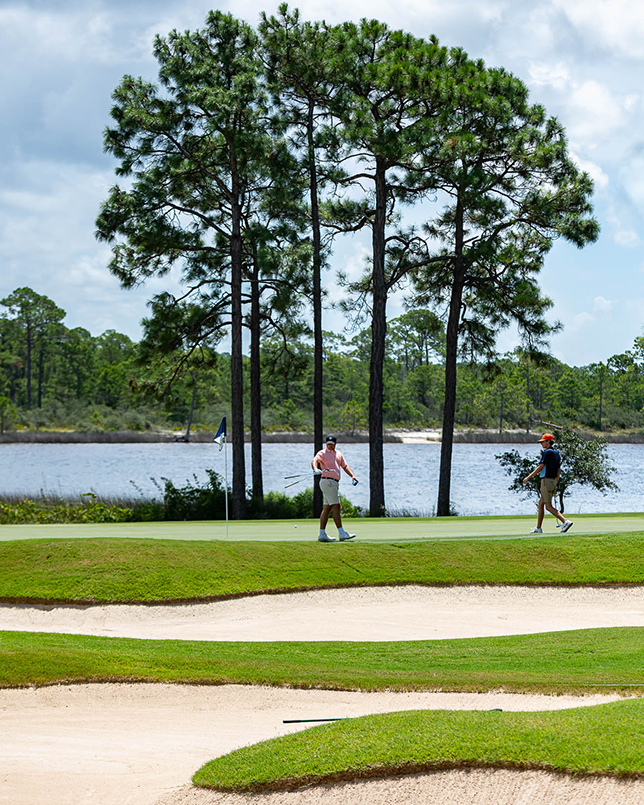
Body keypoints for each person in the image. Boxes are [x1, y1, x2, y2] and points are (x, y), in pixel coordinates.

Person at [523, 433, 573, 534]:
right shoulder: (556, 453)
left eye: (543, 442)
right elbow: (558, 471)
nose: (542, 444)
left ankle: (565, 521)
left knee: (548, 506)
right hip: (552, 481)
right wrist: (555, 484)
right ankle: (538, 528)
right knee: (541, 504)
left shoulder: (547, 452)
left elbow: (541, 467)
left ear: (548, 441)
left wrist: (528, 477)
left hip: (546, 481)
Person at [311, 434, 358, 542]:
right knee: (336, 506)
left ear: (335, 444)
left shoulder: (339, 454)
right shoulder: (322, 453)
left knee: (327, 508)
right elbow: (314, 461)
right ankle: (342, 533)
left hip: (334, 483)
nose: (330, 446)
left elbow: (345, 466)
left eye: (332, 444)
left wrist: (352, 476)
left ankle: (322, 534)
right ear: (326, 443)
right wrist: (315, 469)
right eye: (328, 444)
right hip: (327, 481)